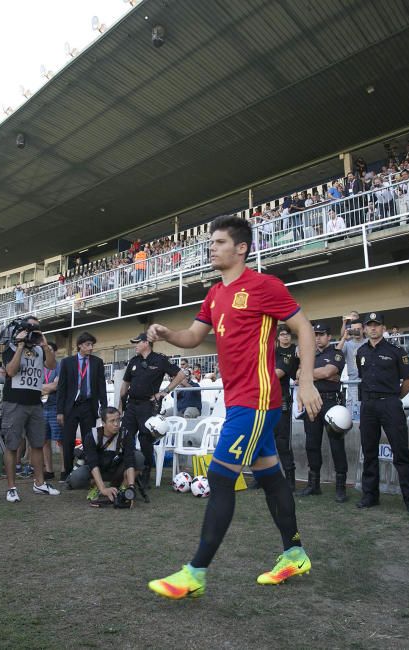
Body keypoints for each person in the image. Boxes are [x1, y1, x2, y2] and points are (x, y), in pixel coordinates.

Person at [146, 215, 322, 599]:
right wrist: (166, 333)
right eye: (211, 242)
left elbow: (304, 328)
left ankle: (195, 573)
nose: (212, 248)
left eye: (220, 242)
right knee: (272, 477)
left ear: (241, 248)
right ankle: (294, 553)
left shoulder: (264, 285)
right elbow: (193, 337)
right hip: (239, 399)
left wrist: (305, 379)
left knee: (221, 477)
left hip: (257, 399)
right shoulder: (214, 294)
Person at [356, 312, 409, 514]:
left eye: (377, 325)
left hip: (390, 405)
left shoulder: (396, 351)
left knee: (401, 453)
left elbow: (408, 381)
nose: (373, 329)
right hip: (368, 406)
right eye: (370, 325)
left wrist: (394, 398)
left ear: (383, 328)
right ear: (365, 329)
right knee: (369, 452)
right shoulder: (361, 352)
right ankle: (370, 495)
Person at [1, 315, 59, 501]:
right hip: (15, 402)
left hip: (35, 402)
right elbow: (11, 371)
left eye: (36, 327)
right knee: (12, 445)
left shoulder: (40, 349)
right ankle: (11, 487)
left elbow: (51, 365)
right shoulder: (10, 347)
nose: (33, 330)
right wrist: (20, 346)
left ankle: (39, 483)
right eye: (30, 327)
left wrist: (43, 345)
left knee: (37, 443)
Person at [118, 333, 186, 487]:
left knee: (145, 440)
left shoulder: (160, 359)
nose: (134, 345)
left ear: (146, 343)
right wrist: (120, 406)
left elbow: (180, 375)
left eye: (137, 342)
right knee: (126, 438)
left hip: (148, 406)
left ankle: (145, 472)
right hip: (131, 405)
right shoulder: (134, 361)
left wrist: (164, 391)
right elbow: (125, 385)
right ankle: (128, 471)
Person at [298, 322, 348, 502]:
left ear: (329, 337)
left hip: (330, 402)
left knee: (336, 445)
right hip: (311, 402)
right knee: (312, 443)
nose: (318, 337)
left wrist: (306, 373)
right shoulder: (308, 355)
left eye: (321, 334)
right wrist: (313, 373)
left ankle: (340, 488)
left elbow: (329, 372)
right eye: (316, 334)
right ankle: (313, 485)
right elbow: (297, 374)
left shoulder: (336, 353)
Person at [65, 407, 144, 505]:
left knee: (138, 457)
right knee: (76, 479)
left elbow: (130, 461)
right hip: (98, 469)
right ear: (103, 423)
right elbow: (93, 464)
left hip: (117, 469)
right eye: (112, 421)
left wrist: (131, 487)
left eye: (118, 420)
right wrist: (103, 489)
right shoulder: (92, 436)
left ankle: (123, 489)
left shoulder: (125, 434)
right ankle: (96, 486)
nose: (116, 424)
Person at [56, 331, 108, 481]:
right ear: (80, 346)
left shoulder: (97, 362)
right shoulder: (67, 362)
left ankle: (86, 471)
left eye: (92, 345)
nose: (91, 348)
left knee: (88, 440)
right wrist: (60, 411)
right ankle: (66, 472)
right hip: (71, 406)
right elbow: (62, 388)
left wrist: (103, 407)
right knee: (68, 440)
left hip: (88, 406)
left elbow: (101, 386)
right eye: (88, 344)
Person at [274, 325, 299, 490]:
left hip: (282, 398)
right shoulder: (272, 352)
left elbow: (277, 373)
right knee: (263, 439)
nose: (285, 337)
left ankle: (290, 478)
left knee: (282, 441)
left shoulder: (293, 352)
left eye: (287, 334)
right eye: (282, 334)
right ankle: (262, 476)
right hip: (264, 400)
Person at [335, 311, 365, 423]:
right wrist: (344, 337)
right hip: (353, 383)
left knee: (367, 415)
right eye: (354, 329)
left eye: (358, 329)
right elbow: (336, 354)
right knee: (355, 416)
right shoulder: (348, 344)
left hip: (368, 381)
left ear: (363, 329)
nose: (356, 331)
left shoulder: (368, 342)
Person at [41, 341, 61, 479]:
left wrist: (41, 387)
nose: (48, 352)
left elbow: (55, 386)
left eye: (50, 350)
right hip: (41, 407)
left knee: (60, 440)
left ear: (55, 352)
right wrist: (47, 386)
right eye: (46, 350)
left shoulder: (59, 366)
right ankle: (49, 470)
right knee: (44, 440)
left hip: (55, 406)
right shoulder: (39, 366)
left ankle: (65, 469)